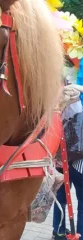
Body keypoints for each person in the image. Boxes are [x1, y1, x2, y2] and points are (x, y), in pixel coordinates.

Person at [52, 58, 83, 240]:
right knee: (65, 198)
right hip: (65, 158)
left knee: (61, 199)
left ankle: (59, 232)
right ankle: (69, 233)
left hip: (63, 157)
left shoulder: (58, 92)